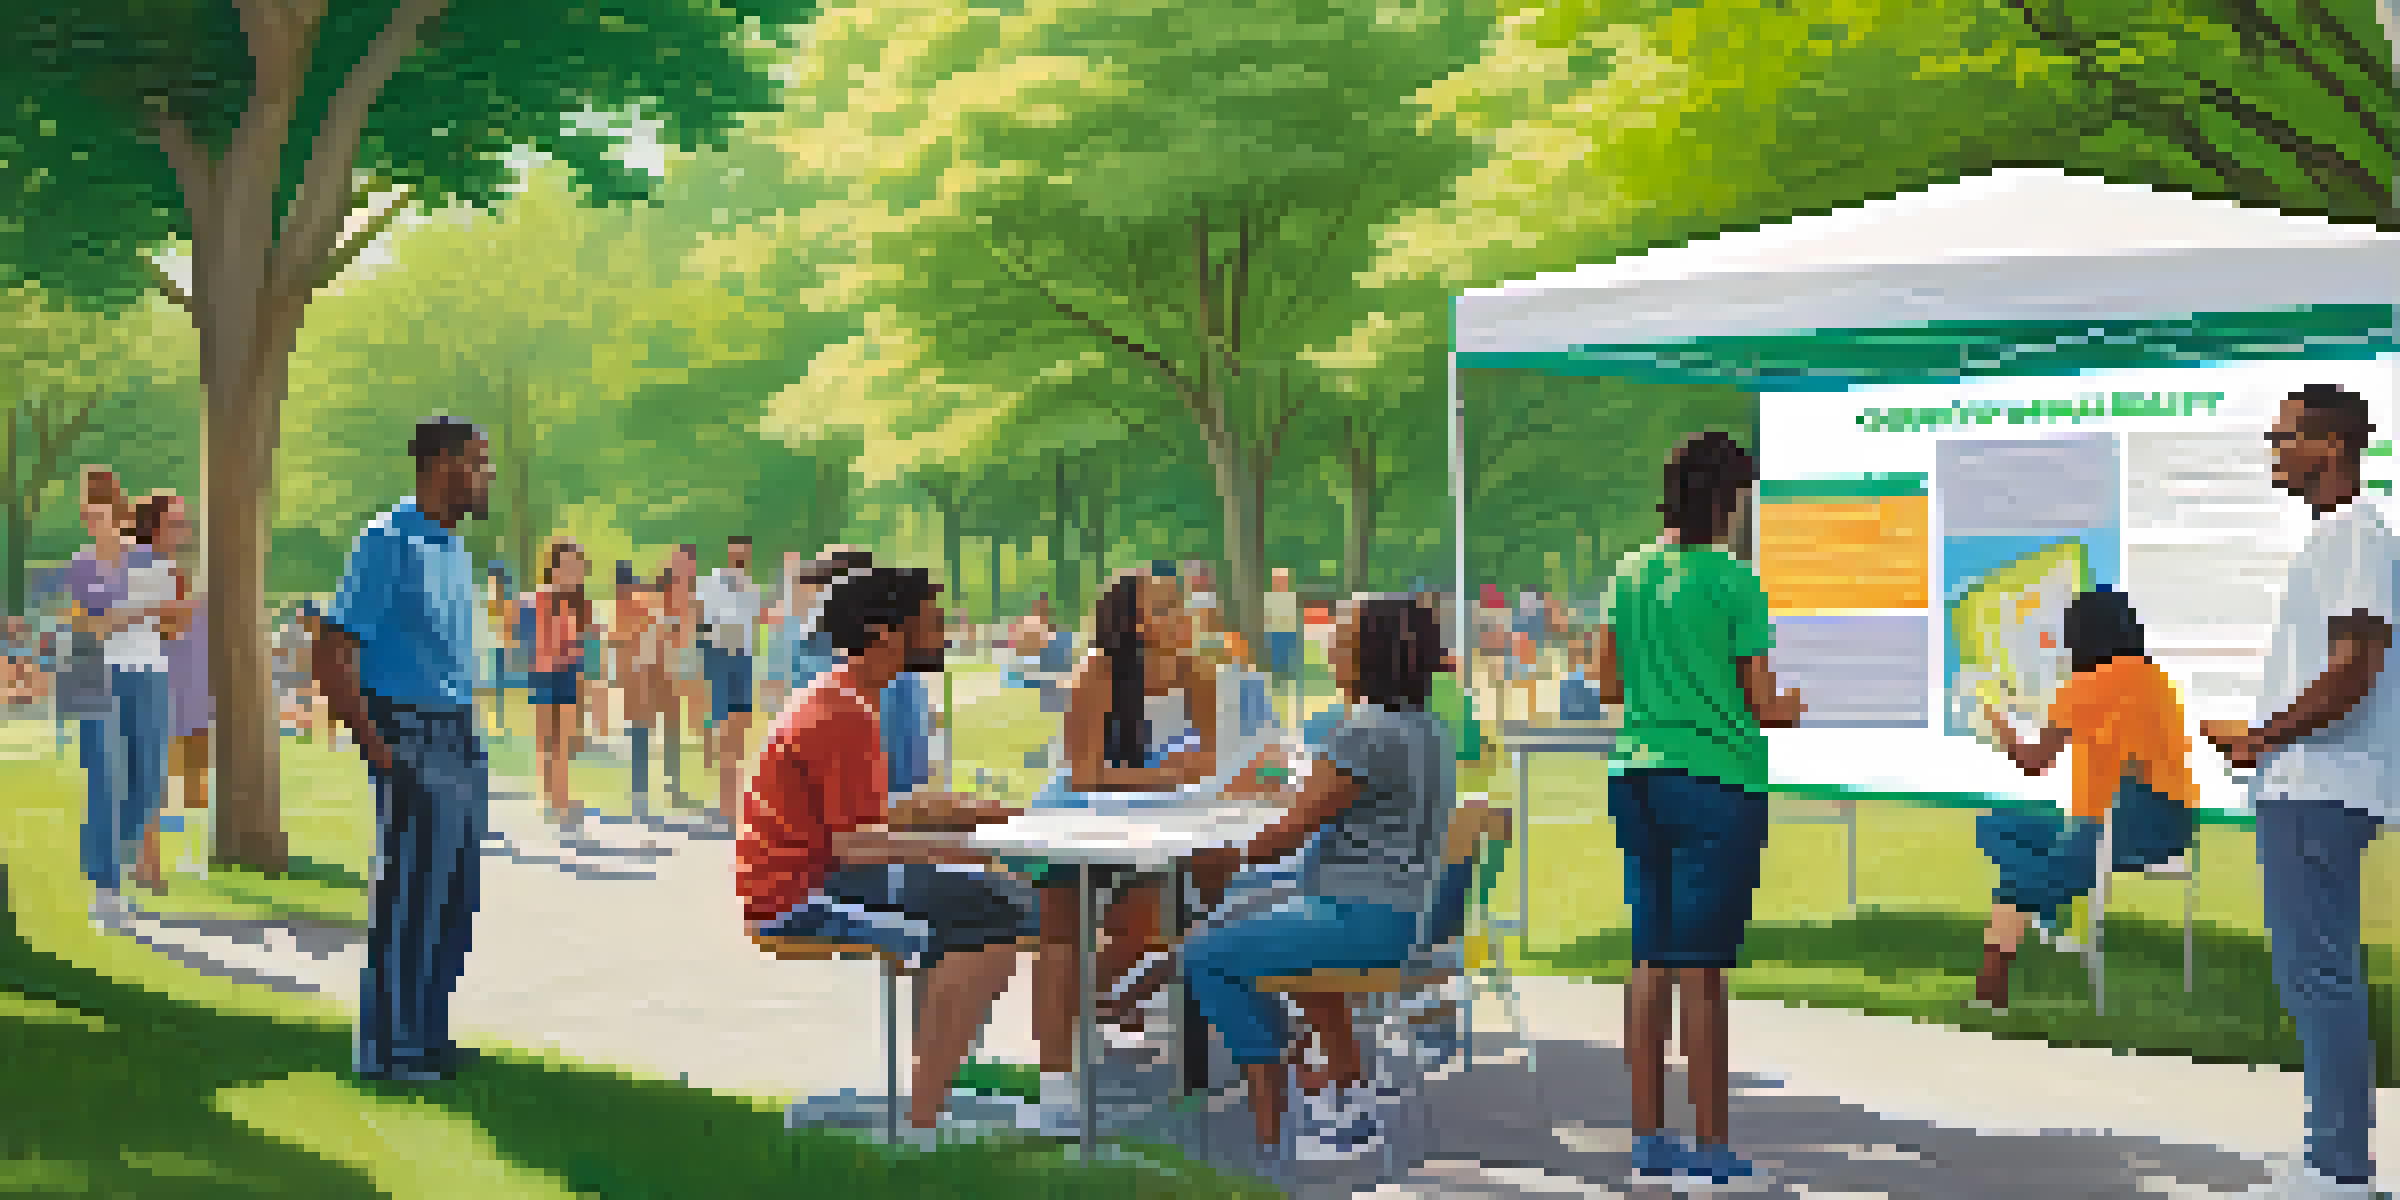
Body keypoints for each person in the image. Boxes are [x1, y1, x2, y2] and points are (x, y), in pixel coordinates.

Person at [738, 563, 1029, 1136]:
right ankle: (924, 1121)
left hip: (820, 877)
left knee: (993, 911)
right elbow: (855, 844)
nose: (944, 635)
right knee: (994, 920)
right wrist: (966, 854)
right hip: (799, 896)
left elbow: (876, 816)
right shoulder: (843, 713)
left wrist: (985, 819)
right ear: (885, 634)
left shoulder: (847, 699)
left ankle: (933, 1096)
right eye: (932, 624)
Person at [1168, 595, 1456, 1152]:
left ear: (1366, 654)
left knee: (1203, 954)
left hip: (1360, 919)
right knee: (1254, 927)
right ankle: (1348, 1092)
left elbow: (1289, 830)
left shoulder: (1366, 733)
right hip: (1396, 913)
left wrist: (1211, 856)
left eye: (1341, 634)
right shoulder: (1427, 728)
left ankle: (1284, 1102)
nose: (1329, 642)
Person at [1593, 430, 1803, 1186]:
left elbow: (1608, 683)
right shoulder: (1735, 581)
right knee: (1704, 972)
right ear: (1730, 499)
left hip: (1637, 776)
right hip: (1716, 783)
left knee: (1650, 958)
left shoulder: (1630, 572)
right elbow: (1760, 701)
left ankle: (1650, 1141)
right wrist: (1790, 708)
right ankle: (1712, 1154)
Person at [2203, 384, 2397, 1199]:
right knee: (2312, 975)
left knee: (2319, 977)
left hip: (2318, 786)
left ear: (2329, 445)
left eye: (2283, 437)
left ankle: (2340, 1168)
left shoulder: (2355, 535)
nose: (2275, 451)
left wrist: (2263, 738)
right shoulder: (2341, 538)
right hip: (2309, 786)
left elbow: (2358, 663)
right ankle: (2331, 1155)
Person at [315, 415, 495, 1083]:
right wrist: (374, 744)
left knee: (453, 896)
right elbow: (333, 648)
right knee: (410, 897)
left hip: (457, 732)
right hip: (408, 731)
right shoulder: (385, 542)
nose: (488, 475)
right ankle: (387, 1051)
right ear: (441, 463)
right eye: (479, 461)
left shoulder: (454, 547)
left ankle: (428, 1035)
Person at [1018, 565, 1218, 1132]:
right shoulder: (1098, 671)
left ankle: (1095, 1026)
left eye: (1181, 605)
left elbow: (1206, 761)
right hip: (1076, 821)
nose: (1181, 616)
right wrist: (1166, 778)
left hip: (1156, 824)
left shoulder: (1200, 676)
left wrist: (1180, 779)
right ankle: (1054, 1082)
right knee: (1062, 941)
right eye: (1166, 608)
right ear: (1133, 622)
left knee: (1144, 931)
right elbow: (1083, 775)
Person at [1968, 586, 2196, 1014]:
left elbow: (2034, 762)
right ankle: (2050, 896)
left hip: (2111, 829)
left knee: (2007, 856)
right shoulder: (2159, 681)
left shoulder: (2083, 687)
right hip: (2173, 829)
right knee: (2007, 828)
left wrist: (1996, 721)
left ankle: (1990, 988)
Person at [64, 466, 169, 924]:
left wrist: (118, 616)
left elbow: (162, 619)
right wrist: (130, 613)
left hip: (144, 672)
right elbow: (90, 626)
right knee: (102, 778)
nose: (94, 519)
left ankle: (107, 857)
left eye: (101, 510)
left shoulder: (145, 560)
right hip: (90, 670)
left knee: (147, 782)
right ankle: (106, 888)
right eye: (88, 511)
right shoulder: (81, 564)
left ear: (119, 513)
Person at [133, 492, 210, 886]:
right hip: (152, 682)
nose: (185, 530)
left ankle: (145, 862)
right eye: (177, 523)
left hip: (172, 682)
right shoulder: (146, 567)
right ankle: (147, 865)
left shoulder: (168, 569)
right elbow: (166, 628)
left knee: (156, 776)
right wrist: (195, 607)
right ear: (155, 526)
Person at [697, 534, 764, 828]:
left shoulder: (752, 589)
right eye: (736, 553)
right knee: (724, 734)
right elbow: (701, 626)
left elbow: (754, 627)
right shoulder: (710, 584)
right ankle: (726, 806)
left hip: (743, 662)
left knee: (740, 733)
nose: (741, 559)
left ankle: (734, 803)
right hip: (720, 659)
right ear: (728, 553)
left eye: (745, 554)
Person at [529, 536, 594, 835]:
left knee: (564, 742)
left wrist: (584, 678)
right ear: (553, 569)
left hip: (568, 672)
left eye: (575, 566)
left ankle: (562, 800)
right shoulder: (540, 598)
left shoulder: (580, 603)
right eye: (565, 566)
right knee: (547, 741)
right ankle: (550, 801)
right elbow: (535, 641)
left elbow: (581, 646)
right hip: (543, 674)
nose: (570, 572)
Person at [1266, 569, 1303, 683]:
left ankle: (1289, 679)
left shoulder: (1291, 596)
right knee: (1276, 659)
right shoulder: (1269, 597)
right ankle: (1277, 679)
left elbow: (1295, 616)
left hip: (1289, 633)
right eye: (1278, 580)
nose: (1281, 582)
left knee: (1289, 659)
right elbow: (1267, 616)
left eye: (1283, 580)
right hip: (1274, 633)